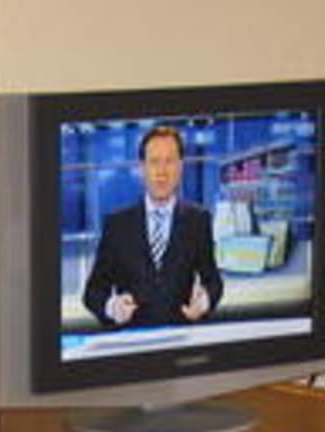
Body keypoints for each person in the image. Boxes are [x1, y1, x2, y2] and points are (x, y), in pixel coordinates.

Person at [80, 124, 223, 328]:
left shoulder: (198, 220)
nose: (161, 172)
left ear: (180, 167)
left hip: (181, 338)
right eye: (154, 162)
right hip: (132, 340)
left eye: (169, 161)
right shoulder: (117, 225)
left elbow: (213, 281)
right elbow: (92, 292)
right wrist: (113, 307)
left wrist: (204, 301)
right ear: (142, 168)